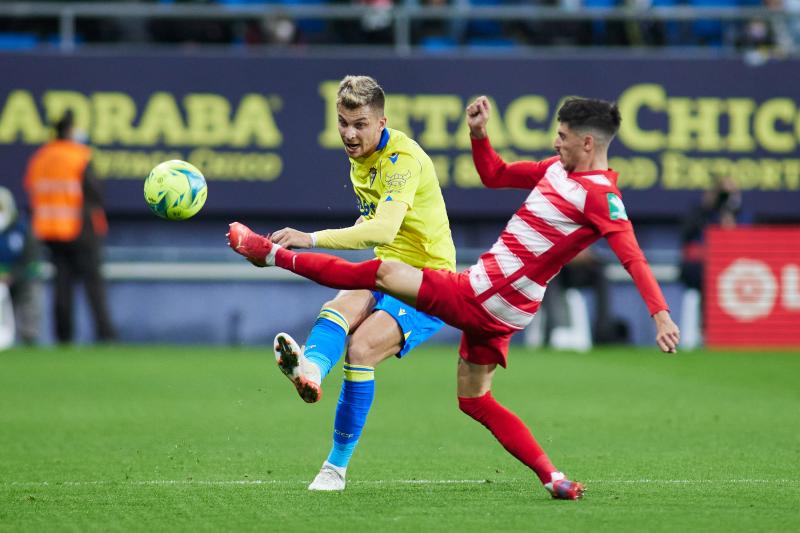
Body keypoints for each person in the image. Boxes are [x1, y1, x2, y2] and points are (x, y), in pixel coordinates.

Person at [228, 96, 680, 500]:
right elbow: (495, 174)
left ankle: (270, 255)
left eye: (562, 137)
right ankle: (552, 477)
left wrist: (660, 316)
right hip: (507, 312)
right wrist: (478, 135)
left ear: (587, 142)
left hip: (481, 294)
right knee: (474, 400)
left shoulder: (602, 197)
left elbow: (633, 258)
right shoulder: (555, 170)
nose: (555, 143)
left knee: (379, 273)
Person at [262, 75, 456, 491]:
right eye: (342, 122)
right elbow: (377, 233)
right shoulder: (361, 155)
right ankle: (311, 370)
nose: (349, 134)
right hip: (390, 267)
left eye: (360, 124)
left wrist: (309, 239)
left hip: (430, 281)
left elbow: (382, 229)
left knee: (362, 348)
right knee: (340, 306)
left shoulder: (401, 160)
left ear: (382, 121)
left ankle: (335, 469)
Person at [23, 110, 117, 344]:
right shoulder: (79, 156)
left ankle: (63, 337)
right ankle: (105, 335)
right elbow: (96, 192)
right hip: (81, 228)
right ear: (69, 130)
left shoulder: (40, 158)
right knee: (93, 283)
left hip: (50, 230)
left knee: (61, 284)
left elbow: (31, 188)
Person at [0, 187, 40, 345]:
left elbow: (30, 260)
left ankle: (29, 337)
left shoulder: (22, 229)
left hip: (19, 278)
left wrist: (12, 275)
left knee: (31, 288)